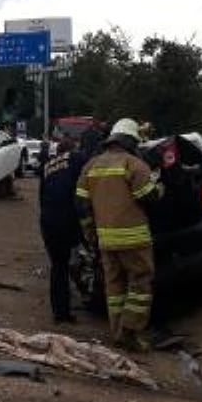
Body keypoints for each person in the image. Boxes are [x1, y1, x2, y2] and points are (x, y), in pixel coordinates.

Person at [75, 117, 163, 353]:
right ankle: (130, 331)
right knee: (140, 284)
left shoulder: (91, 166)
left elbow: (81, 204)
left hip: (105, 240)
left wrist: (90, 233)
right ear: (130, 141)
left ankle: (117, 333)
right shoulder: (133, 164)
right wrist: (160, 186)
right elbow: (148, 196)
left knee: (114, 287)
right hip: (134, 239)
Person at [38, 133, 88, 324]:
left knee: (58, 267)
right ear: (72, 148)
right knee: (70, 262)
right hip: (67, 219)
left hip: (48, 221)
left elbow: (42, 197)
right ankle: (66, 309)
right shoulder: (77, 158)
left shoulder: (47, 166)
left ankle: (60, 312)